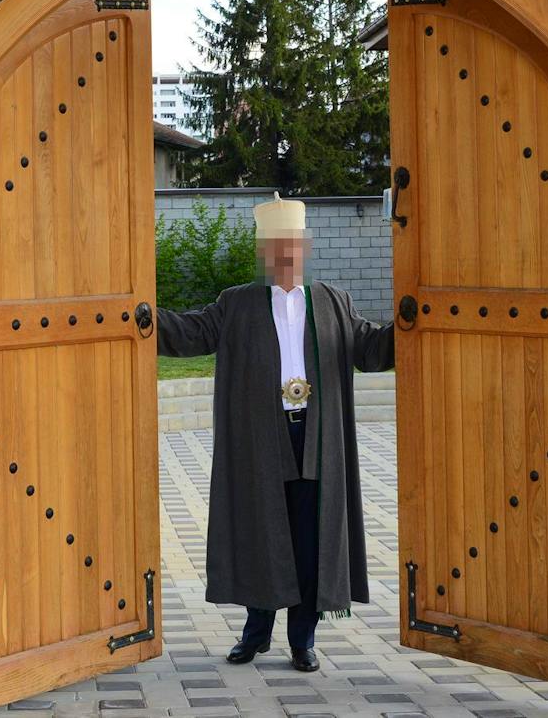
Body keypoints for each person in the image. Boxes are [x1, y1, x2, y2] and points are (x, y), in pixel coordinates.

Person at [156, 193, 395, 673]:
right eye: (276, 247)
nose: (286, 255)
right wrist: (140, 314)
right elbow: (190, 332)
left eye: (293, 245)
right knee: (261, 532)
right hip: (260, 436)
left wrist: (412, 320)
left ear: (306, 248)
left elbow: (370, 349)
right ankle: (256, 633)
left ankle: (302, 640)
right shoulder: (237, 303)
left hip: (316, 437)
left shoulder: (332, 302)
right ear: (263, 252)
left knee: (310, 540)